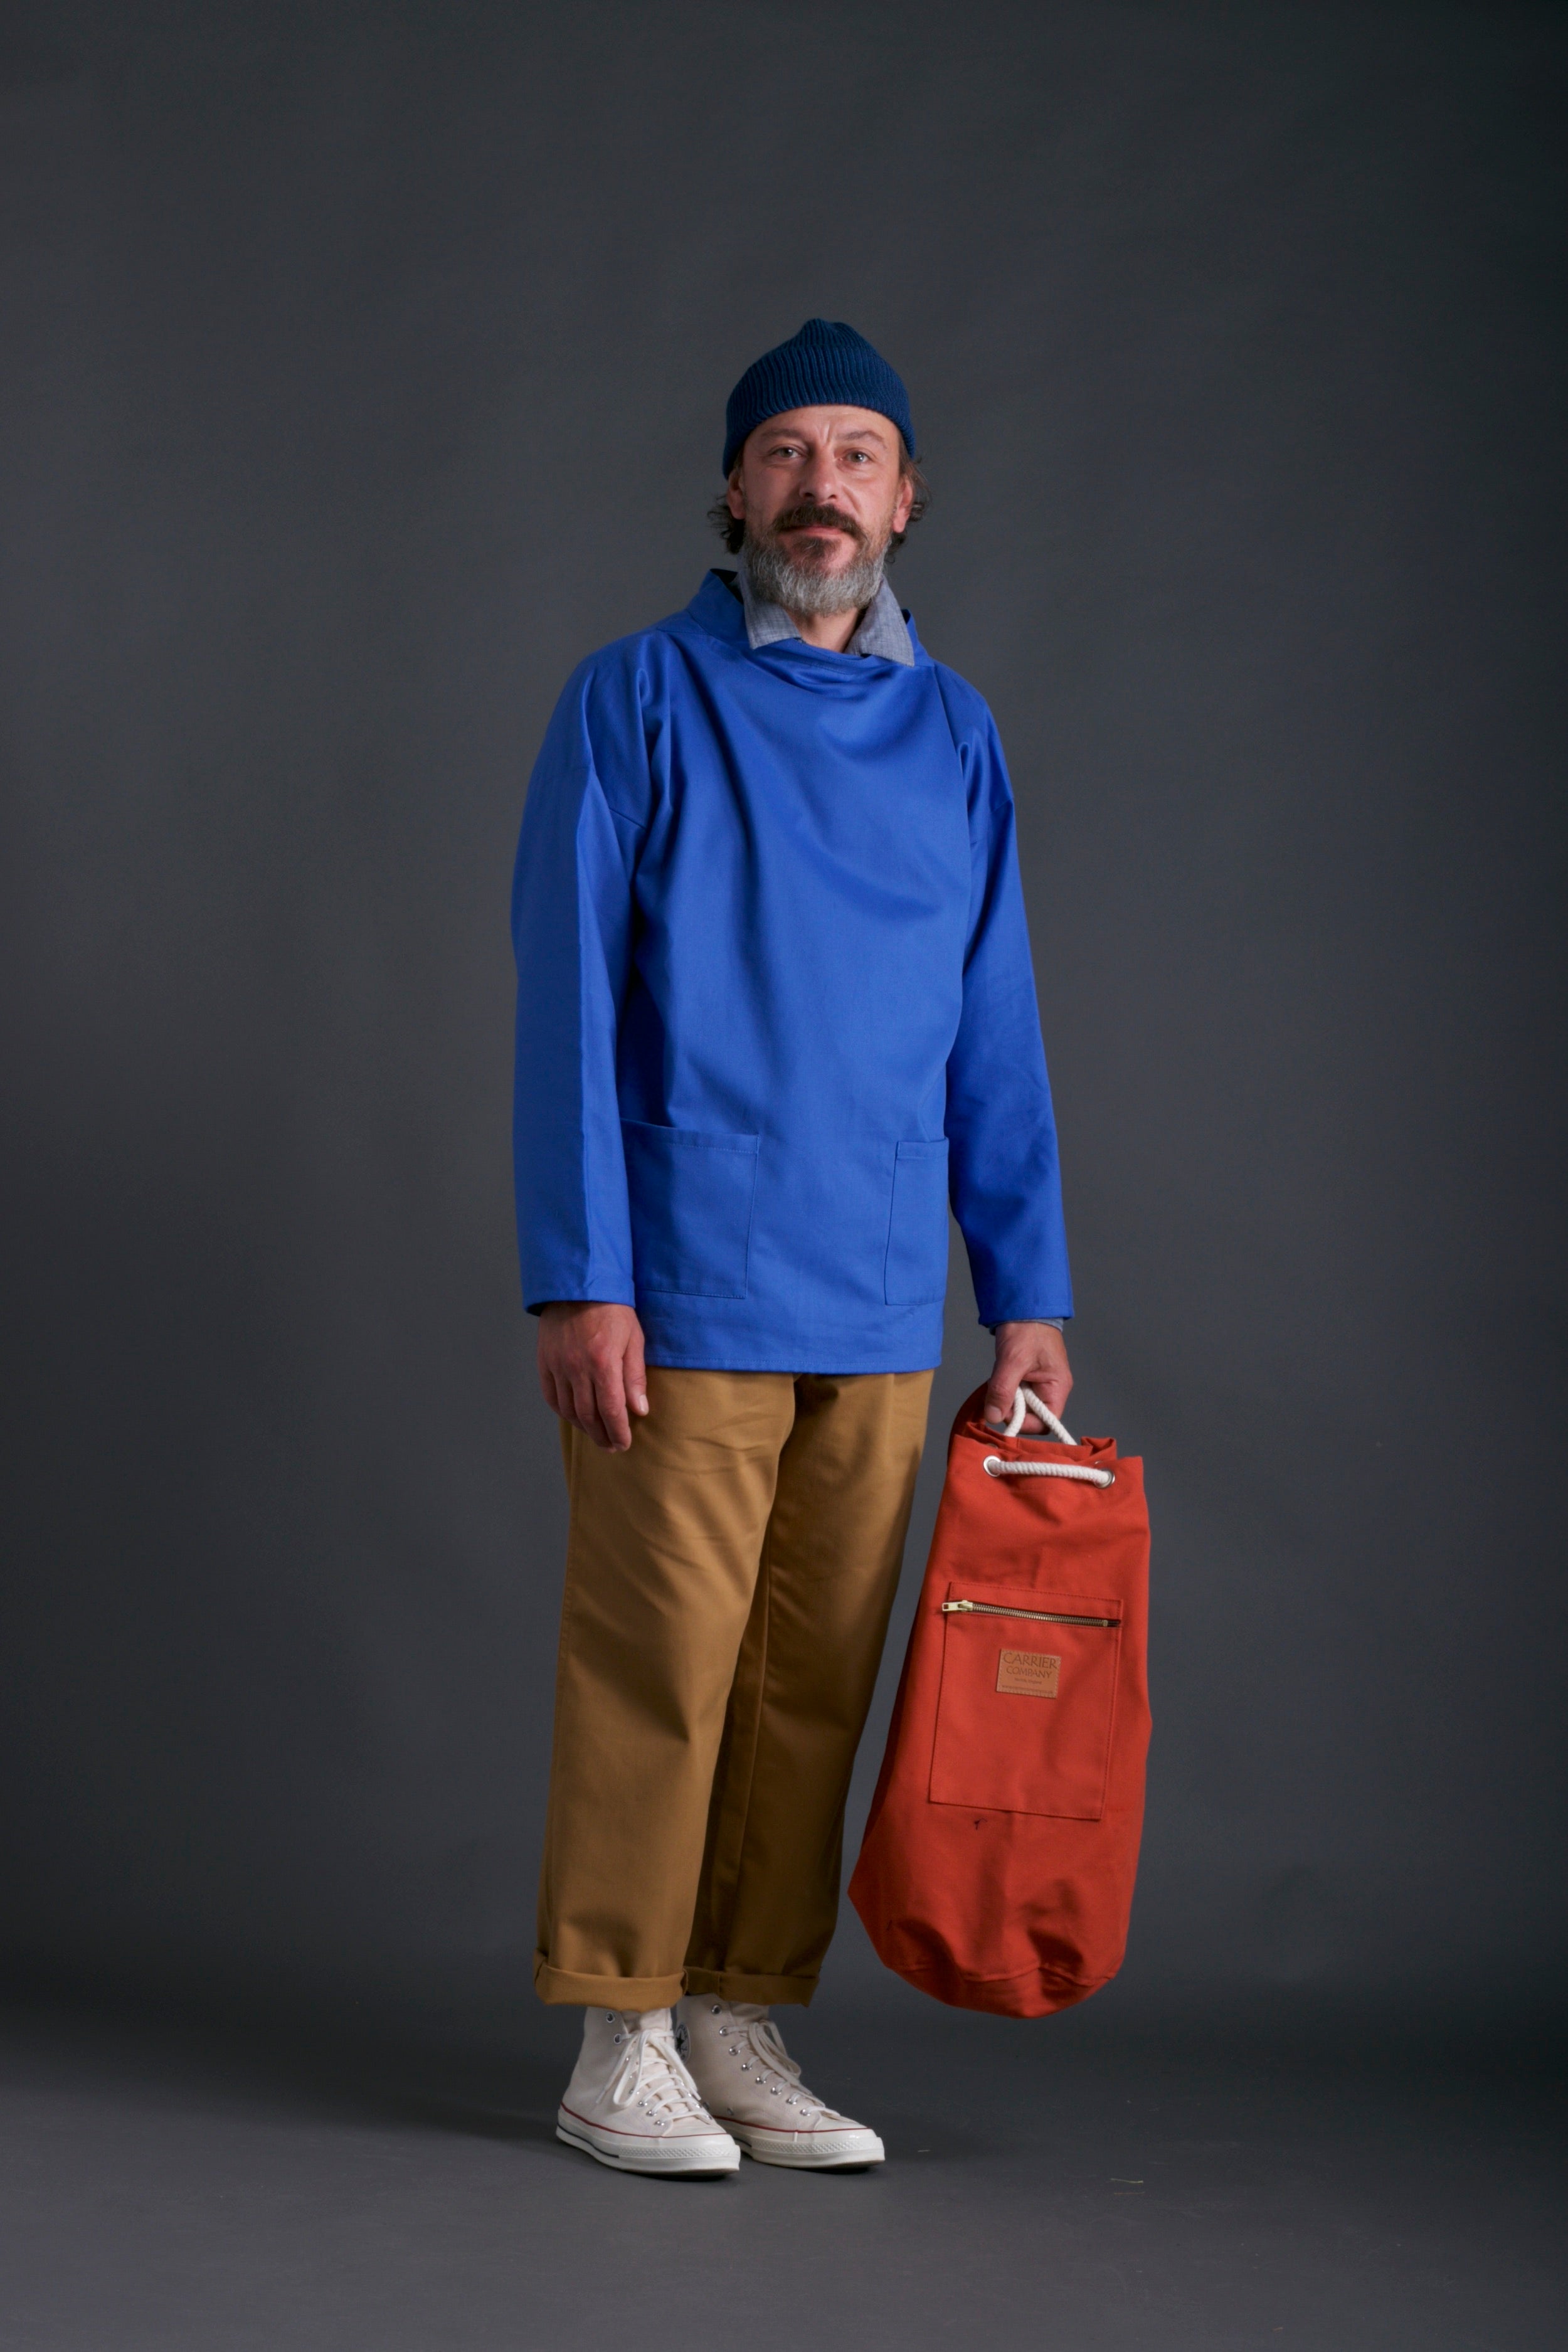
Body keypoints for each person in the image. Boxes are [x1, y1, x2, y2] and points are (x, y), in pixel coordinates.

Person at [511, 319, 1073, 2176]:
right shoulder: (638, 696)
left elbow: (994, 1024)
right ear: (732, 488)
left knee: (812, 1673)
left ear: (906, 500)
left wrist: (1027, 1297)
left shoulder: (955, 728)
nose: (816, 487)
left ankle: (738, 2011)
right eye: (784, 454)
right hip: (680, 1280)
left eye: (854, 456)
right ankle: (619, 2032)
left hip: (878, 1290)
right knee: (662, 1662)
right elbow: (567, 1004)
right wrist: (579, 1273)